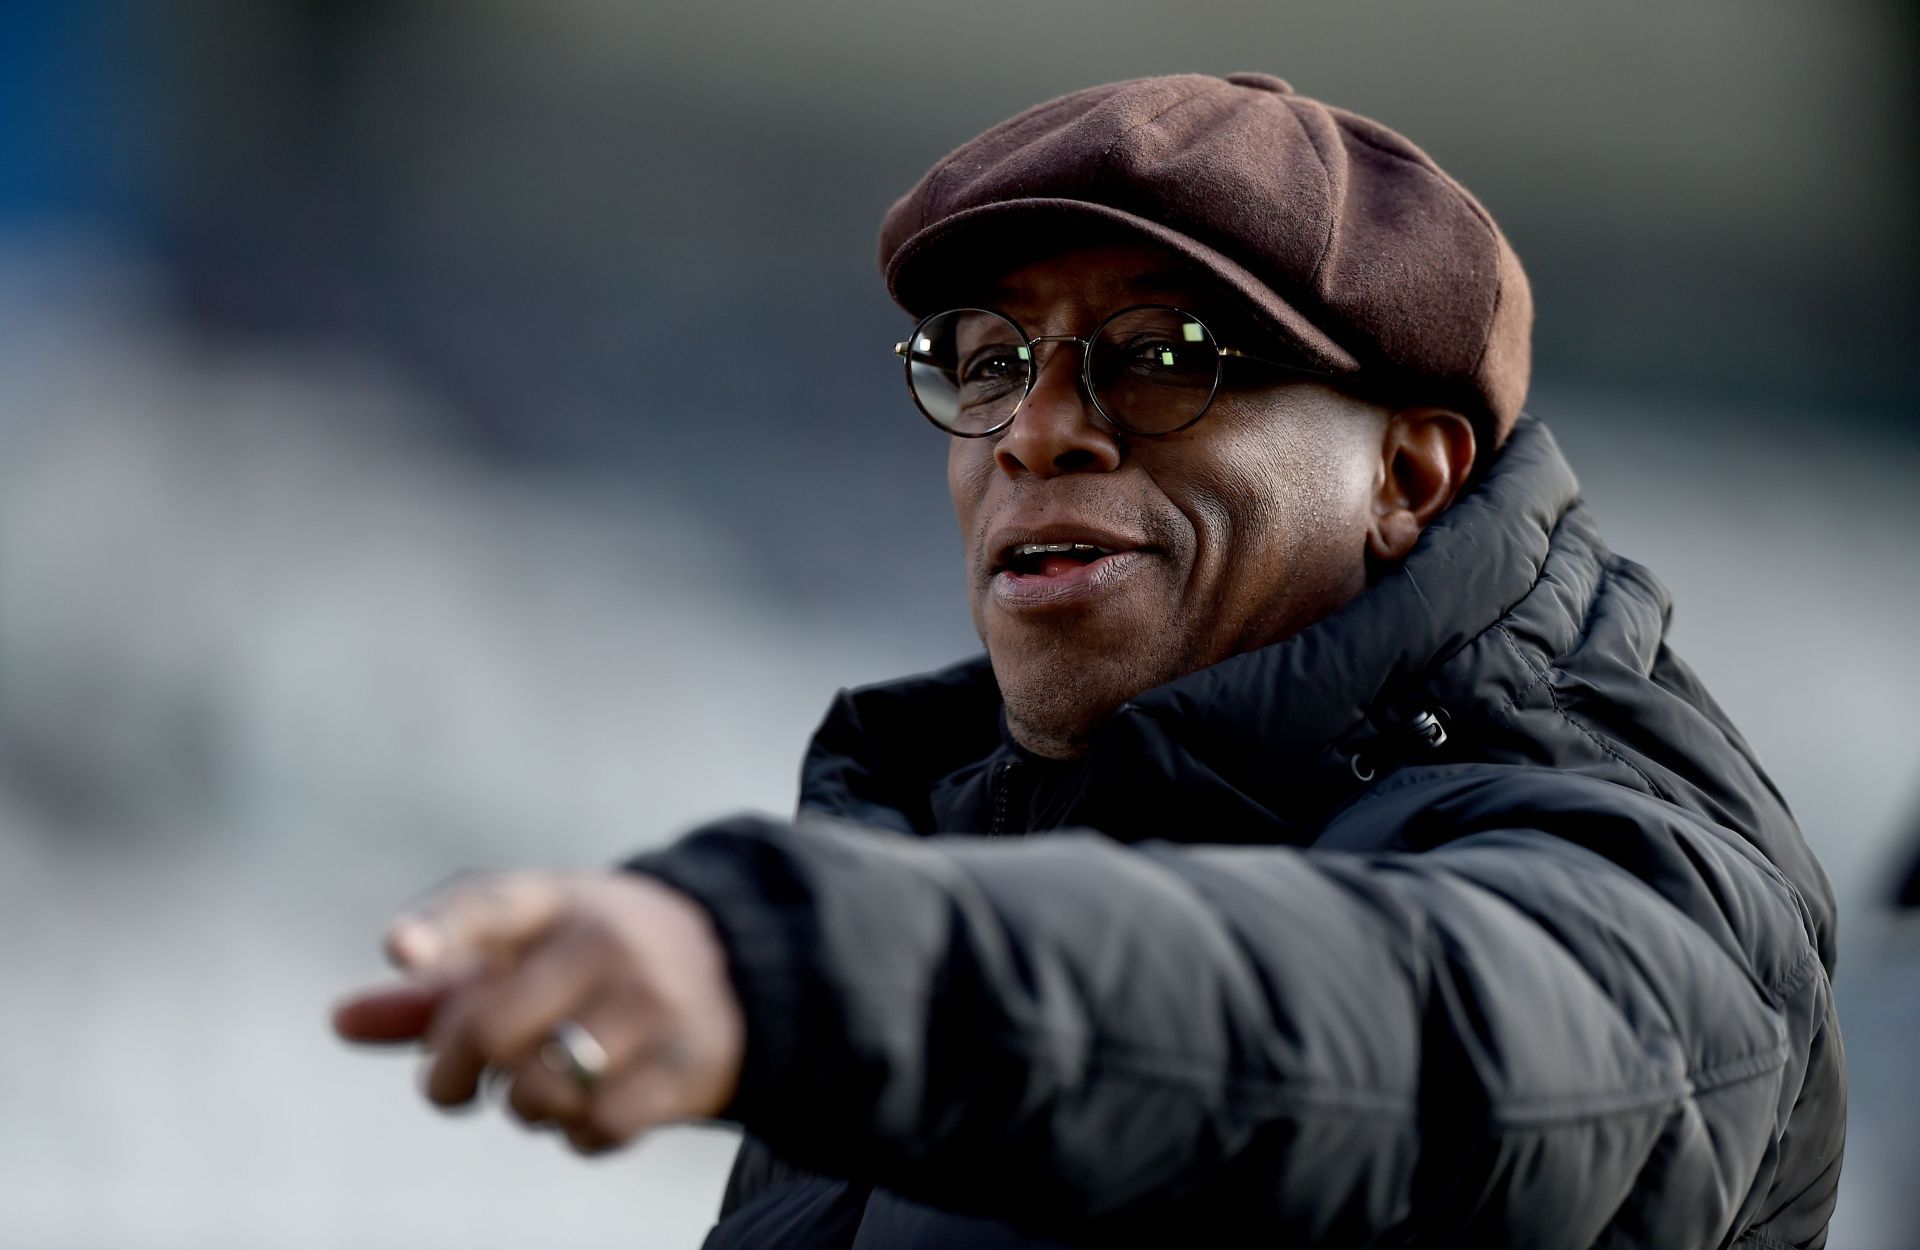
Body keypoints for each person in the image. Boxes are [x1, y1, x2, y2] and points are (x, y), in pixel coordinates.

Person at [333, 73, 1845, 1248]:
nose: (1039, 428)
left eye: (1167, 353)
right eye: (986, 360)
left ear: (1414, 477)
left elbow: (1400, 1035)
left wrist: (805, 966)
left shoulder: (1644, 870)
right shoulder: (952, 840)